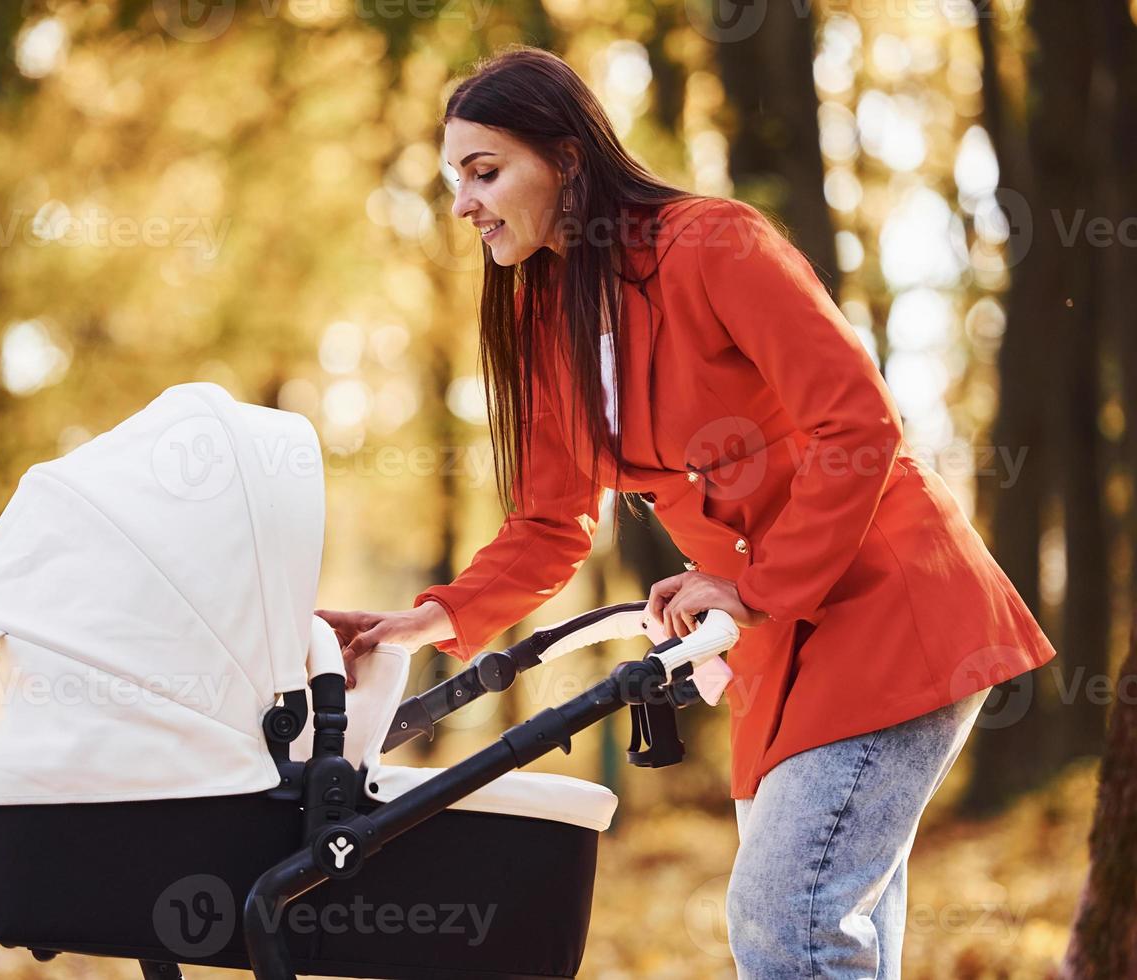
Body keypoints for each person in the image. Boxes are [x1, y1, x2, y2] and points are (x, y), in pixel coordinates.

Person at [317, 45, 1056, 979]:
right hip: (766, 652)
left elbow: (857, 424)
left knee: (788, 921)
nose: (462, 203)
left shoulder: (715, 245)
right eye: (455, 179)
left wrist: (754, 585)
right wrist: (432, 619)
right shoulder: (547, 322)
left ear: (569, 159)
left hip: (890, 615)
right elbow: (551, 523)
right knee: (827, 932)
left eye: (485, 171)